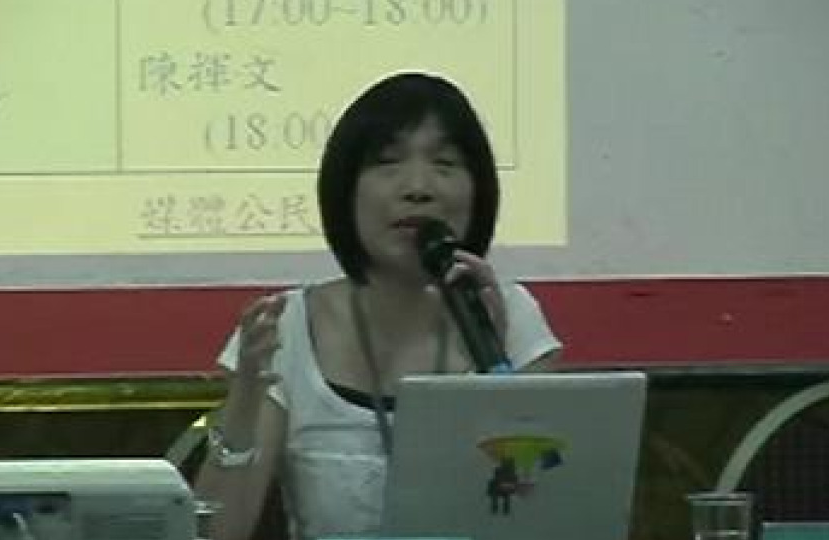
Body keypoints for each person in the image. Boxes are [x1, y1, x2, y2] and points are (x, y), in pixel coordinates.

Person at [194, 71, 562, 540]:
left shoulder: (512, 320)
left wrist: (497, 379)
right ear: (345, 191)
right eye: (387, 162)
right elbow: (215, 533)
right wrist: (244, 401)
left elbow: (545, 515)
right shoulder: (287, 328)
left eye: (446, 163)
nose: (418, 187)